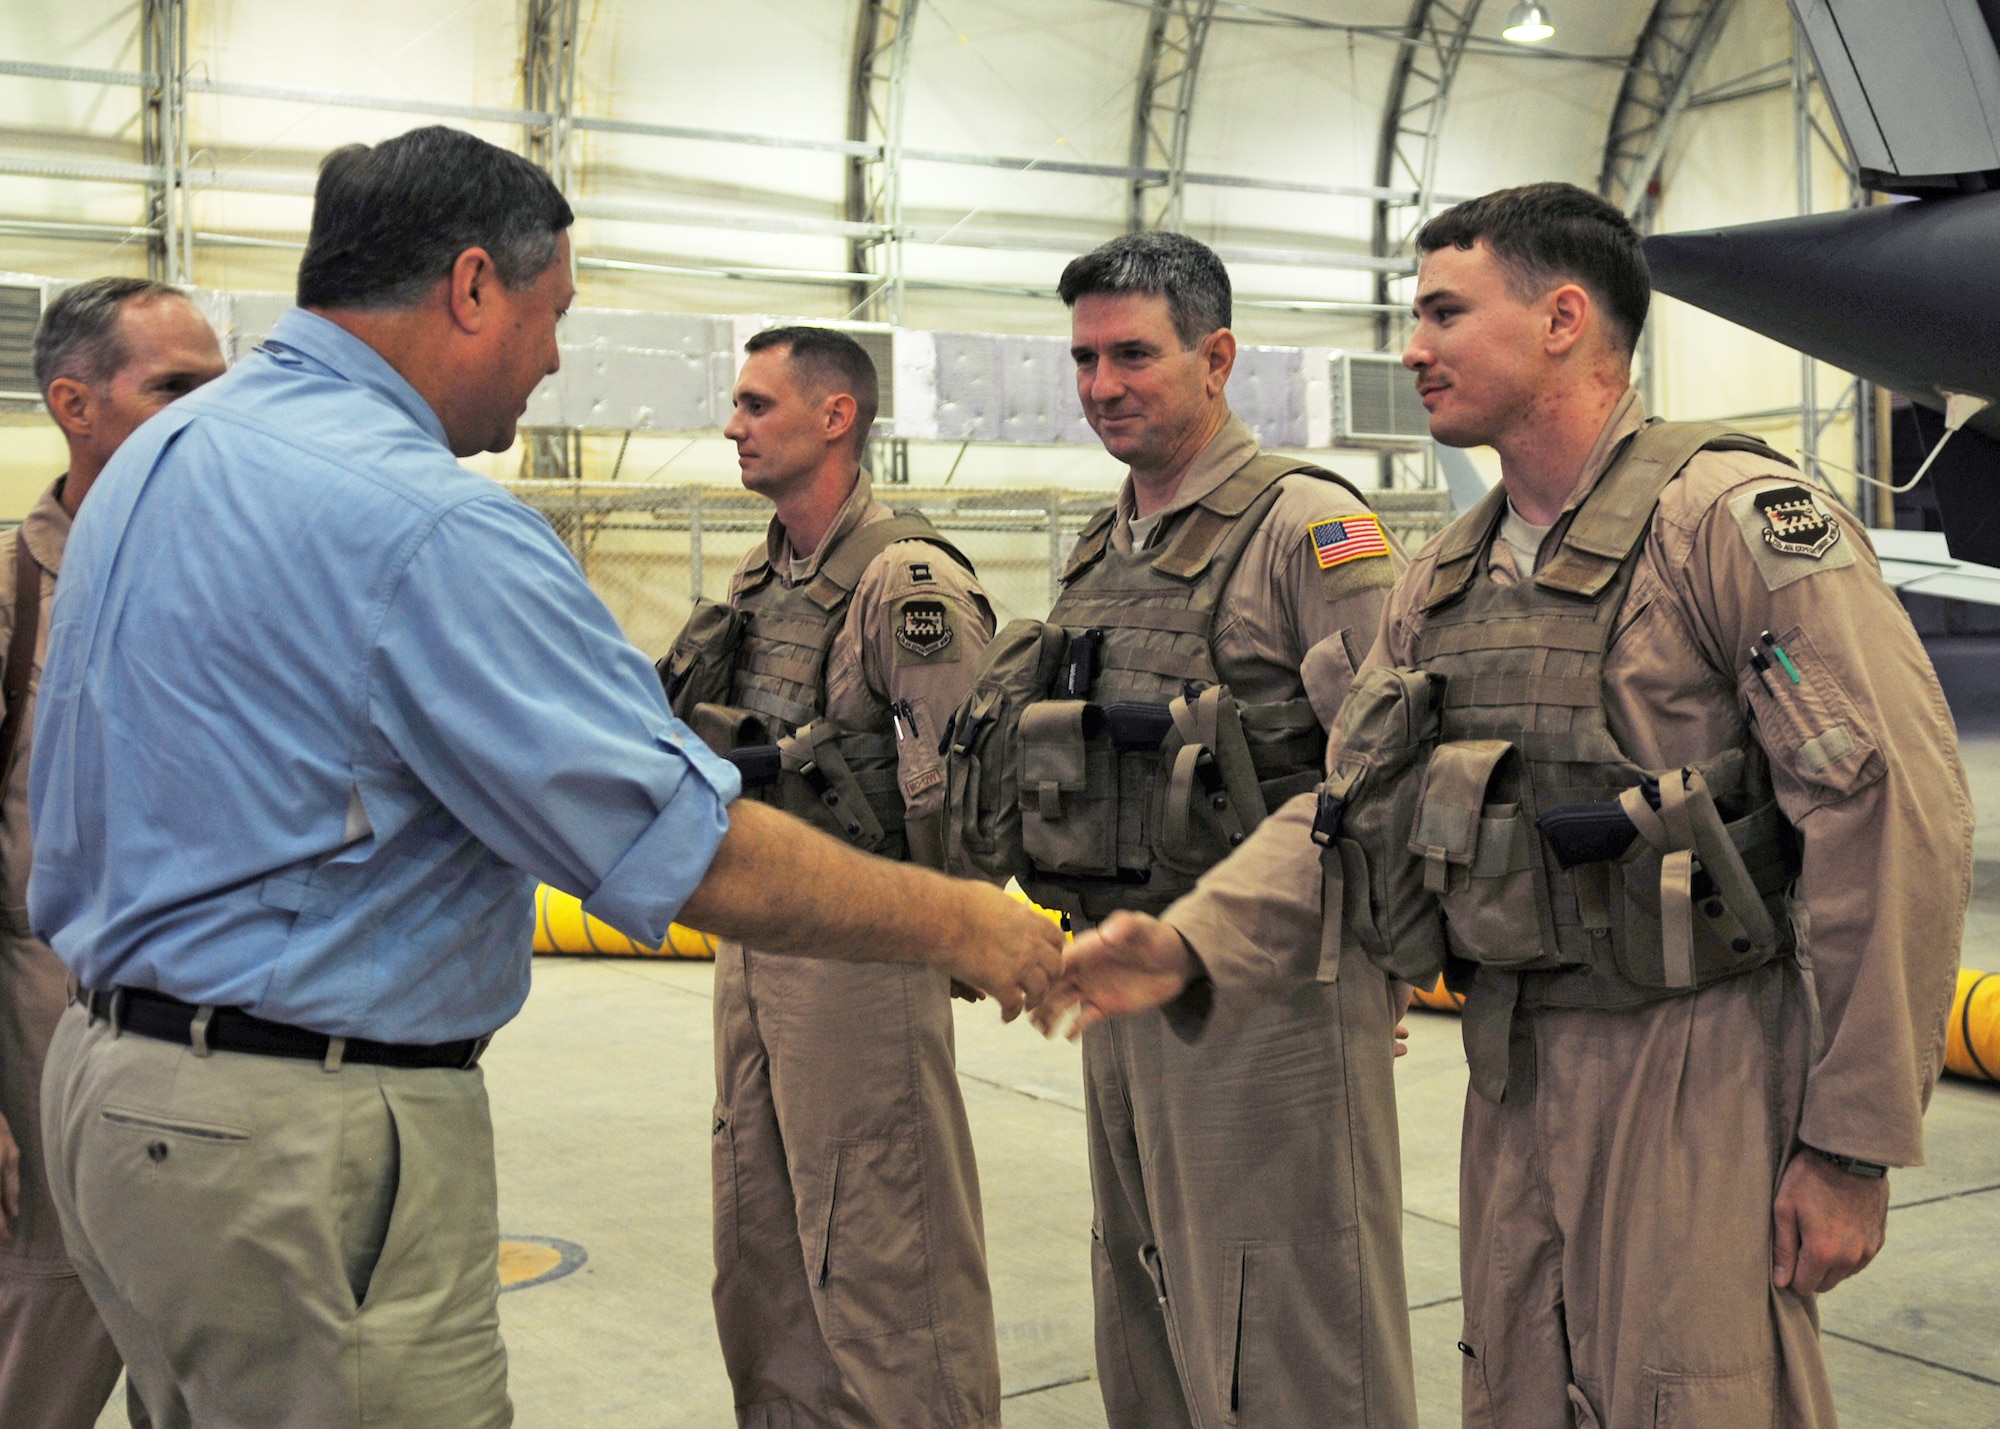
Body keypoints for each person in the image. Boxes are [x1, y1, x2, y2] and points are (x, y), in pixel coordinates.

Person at [30, 126, 1060, 1429]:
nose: (558, 355)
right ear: (471, 287)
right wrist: (967, 918)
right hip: (298, 1140)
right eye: (552, 312)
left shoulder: (165, 462)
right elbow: (682, 844)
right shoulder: (426, 522)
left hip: (119, 1099)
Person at [1046, 183, 1970, 1429]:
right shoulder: (1441, 577)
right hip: (1513, 1062)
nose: (1411, 348)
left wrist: (1848, 1143)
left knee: (1688, 1394)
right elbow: (1346, 814)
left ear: (1561, 319)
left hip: (1692, 1064)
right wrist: (1185, 941)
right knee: (1518, 1390)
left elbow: (1887, 820)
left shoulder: (1729, 527)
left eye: (1440, 312)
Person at [945, 231, 1418, 1427]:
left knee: (1290, 1332)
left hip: (1269, 1003)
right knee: (1148, 1305)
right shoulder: (1105, 546)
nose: (1102, 385)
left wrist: (1385, 972)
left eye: (1133, 356)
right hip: (1116, 980)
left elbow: (1386, 771)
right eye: (1084, 359)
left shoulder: (1307, 530)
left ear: (1216, 358)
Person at [659, 324, 1003, 1426]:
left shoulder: (903, 580)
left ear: (834, 416)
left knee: (884, 1259)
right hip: (757, 943)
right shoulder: (766, 575)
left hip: (864, 949)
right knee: (761, 1246)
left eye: (758, 404)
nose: (733, 425)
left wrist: (953, 927)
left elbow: (970, 774)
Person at [0, 277, 225, 1429]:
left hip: (223, 1078)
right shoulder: (17, 596)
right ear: (73, 405)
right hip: (47, 1050)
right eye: (175, 387)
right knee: (46, 1349)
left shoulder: (238, 586)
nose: (210, 412)